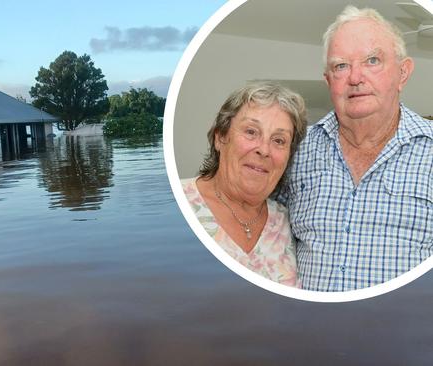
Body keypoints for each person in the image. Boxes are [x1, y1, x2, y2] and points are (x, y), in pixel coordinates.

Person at [279, 6, 433, 291]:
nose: (355, 77)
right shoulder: (293, 150)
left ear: (403, 73)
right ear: (328, 81)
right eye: (340, 66)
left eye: (372, 60)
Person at [182, 82, 307, 286]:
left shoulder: (288, 221)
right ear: (221, 137)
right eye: (251, 132)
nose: (264, 149)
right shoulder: (177, 202)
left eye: (279, 140)